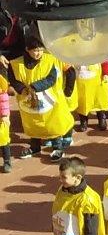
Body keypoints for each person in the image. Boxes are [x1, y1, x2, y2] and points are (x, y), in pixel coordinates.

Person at [10, 30, 75, 160]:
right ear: (27, 50)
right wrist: (23, 89)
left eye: (40, 50)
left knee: (53, 124)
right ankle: (34, 147)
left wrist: (34, 87)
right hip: (27, 99)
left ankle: (57, 148)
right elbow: (13, 79)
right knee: (32, 123)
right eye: (35, 50)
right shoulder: (16, 64)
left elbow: (51, 78)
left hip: (49, 99)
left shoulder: (49, 60)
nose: (38, 53)